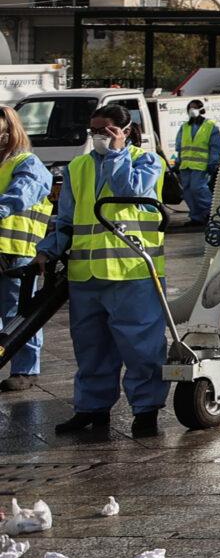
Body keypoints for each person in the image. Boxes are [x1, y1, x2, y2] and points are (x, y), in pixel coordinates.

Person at [41, 104, 169, 438]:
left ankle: (145, 411)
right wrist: (48, 250)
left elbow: (131, 192)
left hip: (133, 273)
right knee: (91, 349)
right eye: (95, 131)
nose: (99, 136)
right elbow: (66, 219)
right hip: (87, 277)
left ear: (126, 130)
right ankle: (92, 409)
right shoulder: (79, 167)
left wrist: (115, 154)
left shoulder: (146, 161)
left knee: (142, 349)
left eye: (107, 130)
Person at [0, 108, 55, 394]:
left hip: (16, 251)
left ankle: (25, 370)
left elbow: (19, 196)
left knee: (18, 313)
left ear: (8, 134)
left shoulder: (27, 163)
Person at [173, 98, 220, 227]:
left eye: (194, 107)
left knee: (198, 190)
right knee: (188, 192)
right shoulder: (185, 127)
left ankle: (210, 214)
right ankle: (196, 217)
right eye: (190, 107)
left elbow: (216, 147)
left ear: (201, 109)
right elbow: (180, 147)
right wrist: (178, 162)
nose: (192, 110)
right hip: (186, 166)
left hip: (201, 166)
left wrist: (213, 162)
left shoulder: (210, 127)